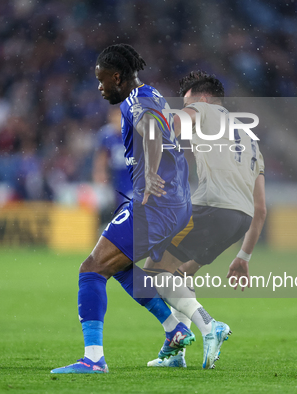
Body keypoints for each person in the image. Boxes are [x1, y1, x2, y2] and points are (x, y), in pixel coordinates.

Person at [51, 44, 194, 374]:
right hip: (174, 203)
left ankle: (94, 359)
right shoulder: (151, 94)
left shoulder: (136, 102)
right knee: (120, 267)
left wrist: (152, 172)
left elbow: (152, 132)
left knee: (91, 269)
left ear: (118, 77)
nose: (99, 88)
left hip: (157, 205)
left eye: (102, 81)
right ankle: (174, 328)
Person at [143, 71, 266, 369]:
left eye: (187, 101)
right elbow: (261, 208)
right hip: (239, 219)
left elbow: (170, 123)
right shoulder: (250, 139)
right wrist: (244, 255)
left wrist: (150, 122)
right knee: (181, 275)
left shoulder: (203, 109)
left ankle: (210, 327)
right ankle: (176, 354)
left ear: (202, 97)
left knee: (152, 273)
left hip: (211, 207)